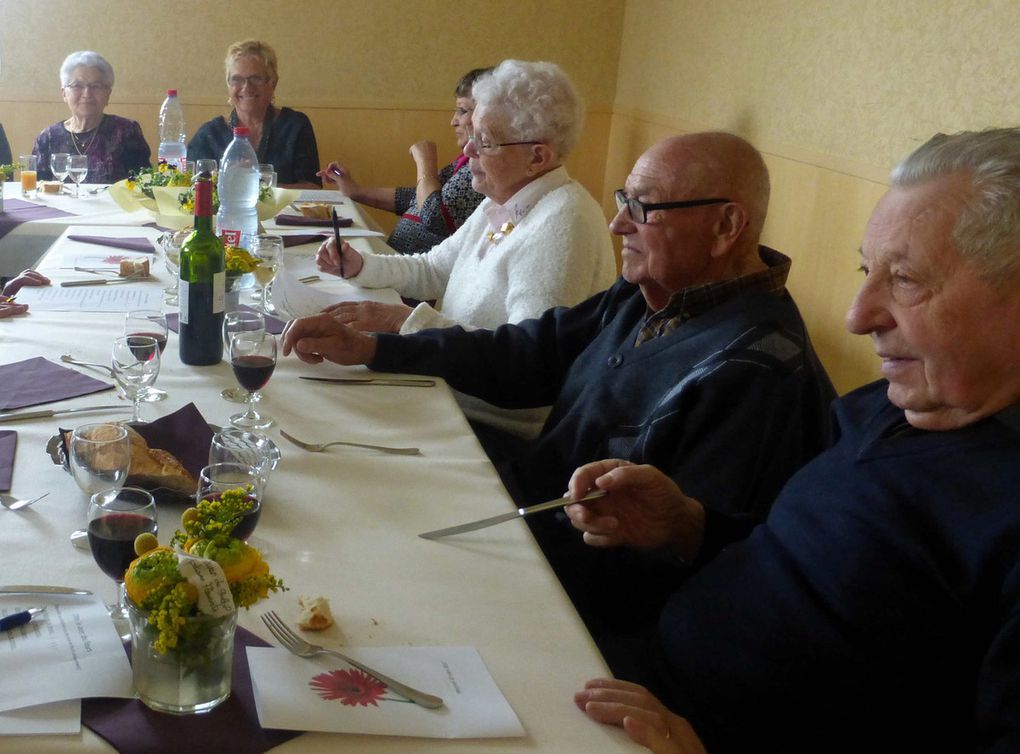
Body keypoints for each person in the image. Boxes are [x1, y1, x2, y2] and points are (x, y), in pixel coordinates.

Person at [283, 131, 836, 646]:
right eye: (625, 200)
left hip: (566, 600)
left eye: (643, 208)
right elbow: (529, 353)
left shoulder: (756, 373)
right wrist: (379, 348)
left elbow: (691, 571)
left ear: (725, 227)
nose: (619, 224)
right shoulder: (653, 292)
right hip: (522, 513)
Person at [568, 127, 1020, 754]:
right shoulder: (890, 404)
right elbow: (806, 563)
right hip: (637, 671)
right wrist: (688, 527)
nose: (858, 316)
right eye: (868, 271)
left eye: (907, 279)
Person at [312, 59, 617, 437]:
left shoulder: (564, 222)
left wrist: (401, 321)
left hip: (490, 425)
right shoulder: (502, 200)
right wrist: (360, 266)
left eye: (485, 141)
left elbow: (521, 366)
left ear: (538, 156)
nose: (468, 149)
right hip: (449, 389)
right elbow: (434, 270)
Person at [319, 67, 489, 256]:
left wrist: (425, 163)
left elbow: (434, 216)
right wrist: (356, 191)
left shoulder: (484, 166)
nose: (453, 121)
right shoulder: (465, 160)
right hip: (400, 263)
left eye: (462, 111)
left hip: (420, 276)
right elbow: (418, 197)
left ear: (486, 114)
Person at [188, 39, 320, 188]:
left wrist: (257, 187)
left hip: (283, 211)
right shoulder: (209, 134)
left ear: (273, 83)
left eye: (256, 79)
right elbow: (192, 189)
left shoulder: (295, 125)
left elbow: (312, 187)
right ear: (228, 85)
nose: (246, 87)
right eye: (237, 79)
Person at [32, 51, 150, 183]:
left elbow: (144, 184)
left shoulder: (126, 131)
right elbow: (37, 189)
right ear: (64, 93)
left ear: (108, 94)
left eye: (96, 86)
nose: (87, 94)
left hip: (111, 204)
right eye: (77, 86)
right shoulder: (48, 137)